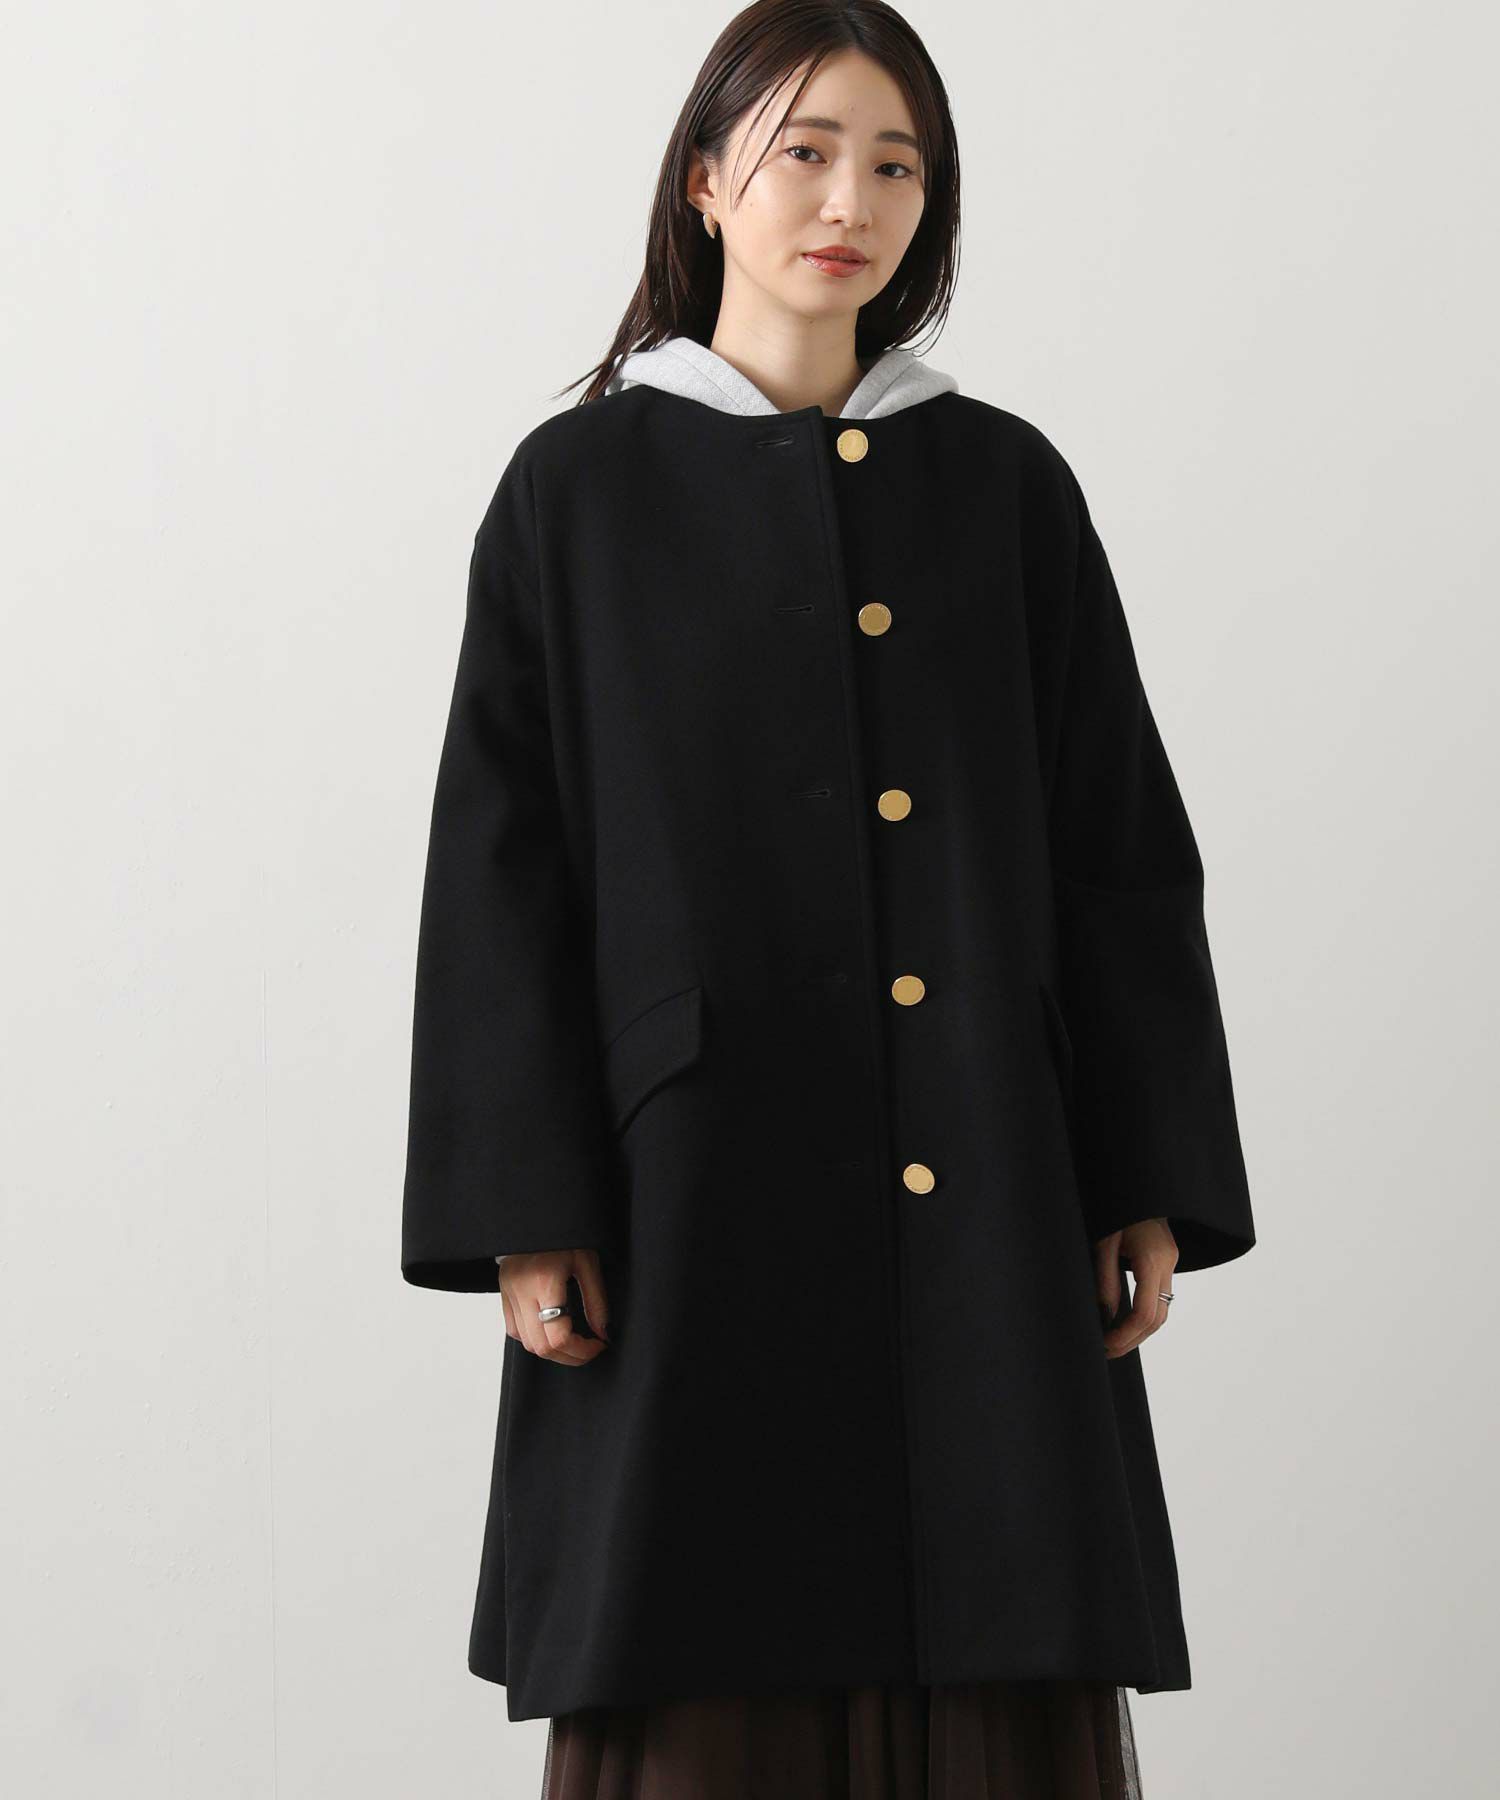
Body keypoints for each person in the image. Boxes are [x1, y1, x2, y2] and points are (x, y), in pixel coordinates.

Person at [400, 3, 1256, 1795]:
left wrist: (1146, 1172)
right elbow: (501, 870)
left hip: (991, 1180)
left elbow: (1117, 847)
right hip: (682, 1196)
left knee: (993, 1630)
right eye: (804, 151)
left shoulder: (1006, 487)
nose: (850, 201)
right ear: (707, 180)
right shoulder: (576, 494)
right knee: (701, 1640)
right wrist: (525, 1207)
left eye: (895, 164)